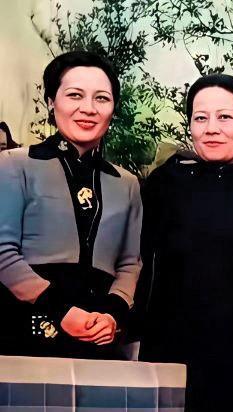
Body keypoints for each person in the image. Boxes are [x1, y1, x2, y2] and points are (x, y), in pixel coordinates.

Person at [135, 73, 233, 411]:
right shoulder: (163, 186)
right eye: (200, 118)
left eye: (224, 117)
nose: (211, 129)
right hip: (164, 350)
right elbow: (139, 262)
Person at [0, 51, 142, 358]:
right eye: (75, 95)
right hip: (23, 337)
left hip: (99, 339)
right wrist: (60, 309)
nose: (88, 108)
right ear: (51, 102)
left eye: (101, 98)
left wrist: (113, 314)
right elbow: (3, 252)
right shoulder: (13, 165)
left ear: (113, 108)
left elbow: (130, 263)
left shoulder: (127, 183)